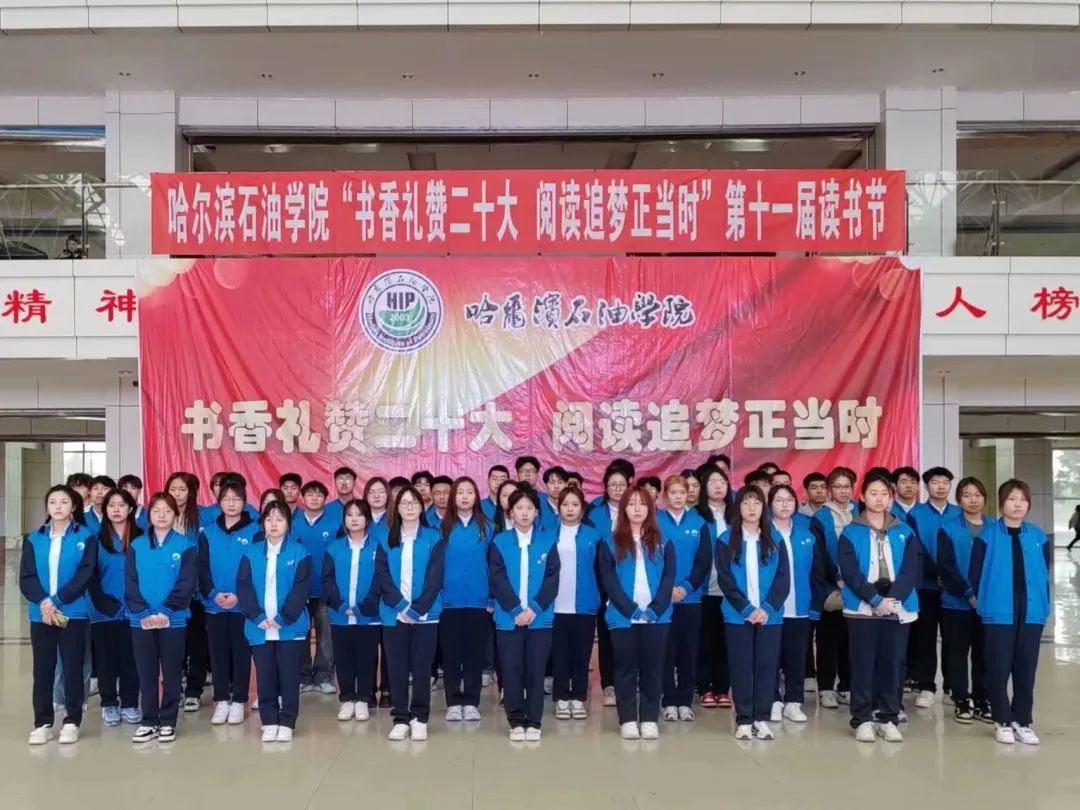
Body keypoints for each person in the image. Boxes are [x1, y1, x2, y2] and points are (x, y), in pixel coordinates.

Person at [837, 472, 921, 744]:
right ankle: (862, 718)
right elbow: (850, 573)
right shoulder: (851, 531)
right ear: (862, 497)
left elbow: (910, 569)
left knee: (892, 663)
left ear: (891, 498)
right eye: (873, 493)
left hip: (898, 607)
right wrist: (875, 600)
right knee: (863, 664)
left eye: (884, 494)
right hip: (862, 608)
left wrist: (892, 600)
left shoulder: (904, 531)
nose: (879, 499)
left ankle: (888, 717)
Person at [969, 479, 1050, 746]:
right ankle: (1002, 720)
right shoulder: (987, 536)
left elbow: (1044, 572)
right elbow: (974, 574)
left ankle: (1022, 721)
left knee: (1026, 668)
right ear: (1002, 502)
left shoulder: (1038, 536)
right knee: (998, 666)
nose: (1018, 505)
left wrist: (1043, 603)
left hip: (1032, 610)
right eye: (1012, 499)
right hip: (998, 610)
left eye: (1023, 500)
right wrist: (984, 602)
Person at [597, 485, 675, 741]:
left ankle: (650, 718)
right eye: (632, 504)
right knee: (625, 668)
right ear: (623, 509)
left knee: (653, 668)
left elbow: (669, 577)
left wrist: (655, 609)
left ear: (650, 508)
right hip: (623, 617)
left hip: (657, 618)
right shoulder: (610, 542)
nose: (637, 508)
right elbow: (609, 581)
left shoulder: (664, 541)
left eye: (642, 503)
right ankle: (628, 719)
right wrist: (630, 609)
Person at [21, 485, 97, 746]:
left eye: (64, 502)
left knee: (73, 668)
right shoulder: (35, 538)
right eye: (52, 501)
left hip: (72, 612)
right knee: (43, 670)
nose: (57, 506)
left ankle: (72, 721)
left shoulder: (86, 537)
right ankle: (42, 723)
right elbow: (27, 576)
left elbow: (85, 574)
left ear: (73, 506)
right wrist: (44, 602)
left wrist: (56, 601)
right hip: (41, 614)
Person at [372, 486, 445, 742]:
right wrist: (402, 607)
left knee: (422, 667)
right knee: (397, 667)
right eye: (404, 503)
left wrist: (417, 609)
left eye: (414, 502)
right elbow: (382, 576)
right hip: (393, 614)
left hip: (426, 615)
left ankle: (420, 717)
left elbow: (435, 578)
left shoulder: (434, 538)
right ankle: (401, 718)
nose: (410, 507)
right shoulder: (385, 538)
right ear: (397, 508)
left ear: (422, 507)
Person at [716, 486, 790, 740]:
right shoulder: (725, 540)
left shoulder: (775, 539)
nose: (751, 508)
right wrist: (747, 609)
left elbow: (783, 578)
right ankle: (744, 719)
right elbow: (725, 579)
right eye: (746, 503)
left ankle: (761, 717)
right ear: (738, 508)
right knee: (741, 666)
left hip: (770, 616)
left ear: (763, 508)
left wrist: (767, 608)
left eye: (757, 503)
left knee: (767, 667)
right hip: (738, 615)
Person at [237, 500, 311, 743]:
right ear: (263, 524)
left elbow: (301, 588)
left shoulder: (299, 552)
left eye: (279, 519)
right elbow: (244, 587)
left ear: (288, 523)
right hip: (259, 628)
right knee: (265, 675)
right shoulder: (250, 553)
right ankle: (269, 720)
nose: (274, 524)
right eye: (269, 519)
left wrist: (283, 617)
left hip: (290, 627)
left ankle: (287, 721)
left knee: (289, 676)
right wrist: (257, 616)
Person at [489, 488, 560, 741]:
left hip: (540, 619)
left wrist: (535, 608)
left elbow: (552, 579)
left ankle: (534, 720)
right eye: (519, 508)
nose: (525, 513)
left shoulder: (548, 541)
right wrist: (516, 609)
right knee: (511, 670)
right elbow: (497, 579)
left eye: (530, 508)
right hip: (508, 619)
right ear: (511, 513)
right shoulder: (499, 542)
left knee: (536, 670)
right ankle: (516, 719)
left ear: (537, 512)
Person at [126, 492, 197, 744]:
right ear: (149, 515)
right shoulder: (137, 545)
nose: (162, 516)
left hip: (173, 619)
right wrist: (144, 613)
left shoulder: (186, 545)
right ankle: (148, 721)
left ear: (175, 514)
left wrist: (166, 611)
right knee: (146, 671)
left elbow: (186, 583)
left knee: (172, 671)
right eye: (156, 511)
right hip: (141, 620)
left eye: (167, 511)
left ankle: (167, 721)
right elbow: (131, 582)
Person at [198, 479, 259, 726]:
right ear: (219, 502)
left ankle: (239, 700)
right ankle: (221, 699)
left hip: (242, 606)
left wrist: (239, 596)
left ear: (244, 502)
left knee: (242, 654)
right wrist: (213, 593)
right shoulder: (208, 532)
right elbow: (202, 567)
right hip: (215, 605)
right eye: (226, 499)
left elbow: (257, 567)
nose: (231, 503)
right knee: (218, 654)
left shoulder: (256, 531)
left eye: (237, 499)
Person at [937, 477, 991, 725]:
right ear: (959, 499)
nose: (973, 500)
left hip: (988, 605)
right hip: (956, 603)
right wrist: (968, 593)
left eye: (977, 495)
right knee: (957, 653)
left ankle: (982, 700)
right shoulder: (948, 528)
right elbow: (946, 566)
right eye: (967, 495)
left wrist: (986, 596)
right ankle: (961, 700)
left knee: (984, 654)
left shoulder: (994, 528)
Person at [439, 477, 493, 722]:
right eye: (460, 492)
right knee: (450, 654)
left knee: (474, 654)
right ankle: (453, 701)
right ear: (453, 496)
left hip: (479, 601)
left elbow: (495, 564)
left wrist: (492, 598)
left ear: (476, 496)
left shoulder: (488, 527)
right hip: (448, 601)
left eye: (469, 492)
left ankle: (471, 701)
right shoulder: (442, 527)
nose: (464, 496)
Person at [905, 466, 960, 709]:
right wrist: (936, 574)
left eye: (945, 482)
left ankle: (951, 687)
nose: (941, 486)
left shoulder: (959, 513)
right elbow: (915, 549)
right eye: (935, 482)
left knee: (953, 639)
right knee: (925, 638)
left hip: (954, 588)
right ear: (926, 486)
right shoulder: (914, 514)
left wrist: (950, 577)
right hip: (926, 587)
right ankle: (927, 686)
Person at [656, 475, 710, 722]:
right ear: (665, 495)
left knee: (689, 651)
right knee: (665, 651)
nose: (678, 497)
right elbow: (651, 559)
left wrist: (686, 587)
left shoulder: (699, 523)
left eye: (682, 492)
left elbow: (703, 562)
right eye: (673, 492)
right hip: (663, 599)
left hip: (691, 598)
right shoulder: (655, 522)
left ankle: (685, 701)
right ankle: (668, 700)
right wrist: (668, 589)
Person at [322, 499, 381, 722]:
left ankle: (364, 698)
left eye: (359, 514)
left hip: (369, 616)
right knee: (343, 657)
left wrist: (365, 606)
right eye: (349, 515)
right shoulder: (334, 548)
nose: (354, 519)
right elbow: (327, 579)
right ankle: (347, 698)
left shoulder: (378, 547)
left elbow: (381, 579)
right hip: (340, 616)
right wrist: (340, 605)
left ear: (367, 519)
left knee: (367, 657)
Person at [88, 488, 142, 728]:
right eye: (111, 505)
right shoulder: (95, 540)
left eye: (121, 505)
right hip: (104, 611)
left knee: (132, 659)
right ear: (105, 510)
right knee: (106, 660)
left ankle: (130, 703)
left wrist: (138, 603)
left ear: (130, 509)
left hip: (135, 610)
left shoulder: (143, 538)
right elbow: (90, 577)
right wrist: (105, 604)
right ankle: (109, 703)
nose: (116, 510)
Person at [767, 484, 818, 724]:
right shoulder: (763, 534)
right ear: (770, 505)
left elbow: (816, 573)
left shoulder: (806, 534)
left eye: (789, 499)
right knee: (771, 657)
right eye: (779, 500)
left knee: (796, 657)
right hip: (770, 609)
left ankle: (794, 702)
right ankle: (773, 700)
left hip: (800, 607)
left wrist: (815, 603)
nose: (784, 504)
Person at [550, 486, 601, 720]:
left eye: (575, 505)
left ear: (582, 509)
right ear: (559, 508)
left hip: (585, 602)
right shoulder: (548, 534)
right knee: (559, 653)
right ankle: (562, 697)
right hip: (555, 604)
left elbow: (601, 569)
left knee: (582, 653)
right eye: (565, 504)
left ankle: (579, 697)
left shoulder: (593, 535)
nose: (570, 509)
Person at [810, 467, 858, 709]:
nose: (842, 491)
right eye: (837, 487)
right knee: (828, 640)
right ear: (830, 490)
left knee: (851, 639)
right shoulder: (820, 517)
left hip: (858, 587)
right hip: (830, 587)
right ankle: (826, 688)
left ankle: (847, 686)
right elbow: (818, 554)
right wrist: (837, 578)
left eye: (846, 486)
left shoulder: (860, 511)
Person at [163, 471, 206, 714]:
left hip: (195, 592)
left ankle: (193, 691)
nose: (177, 494)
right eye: (173, 489)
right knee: (172, 644)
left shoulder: (202, 517)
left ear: (190, 493)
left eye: (182, 489)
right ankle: (173, 688)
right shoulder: (160, 515)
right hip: (167, 592)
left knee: (196, 643)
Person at [589, 466, 631, 707]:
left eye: (621, 485)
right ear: (605, 487)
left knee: (629, 635)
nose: (617, 489)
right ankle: (609, 684)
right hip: (602, 583)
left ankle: (630, 681)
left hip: (631, 584)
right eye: (613, 485)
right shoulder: (595, 514)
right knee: (606, 635)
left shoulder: (636, 510)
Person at [292, 480, 337, 694]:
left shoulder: (335, 523)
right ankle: (302, 677)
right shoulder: (292, 522)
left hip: (325, 589)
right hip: (299, 590)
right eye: (310, 494)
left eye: (319, 495)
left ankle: (323, 677)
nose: (314, 498)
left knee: (325, 635)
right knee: (300, 633)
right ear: (302, 498)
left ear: (325, 499)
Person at [695, 465, 733, 709]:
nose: (718, 485)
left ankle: (722, 688)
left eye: (722, 481)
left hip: (731, 591)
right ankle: (705, 687)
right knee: (704, 641)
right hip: (703, 589)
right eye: (712, 481)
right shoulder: (696, 516)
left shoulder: (736, 515)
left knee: (726, 640)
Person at [538, 466, 567, 531]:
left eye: (560, 482)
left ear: (566, 484)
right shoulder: (538, 508)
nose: (556, 486)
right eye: (552, 482)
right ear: (545, 485)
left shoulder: (571, 508)